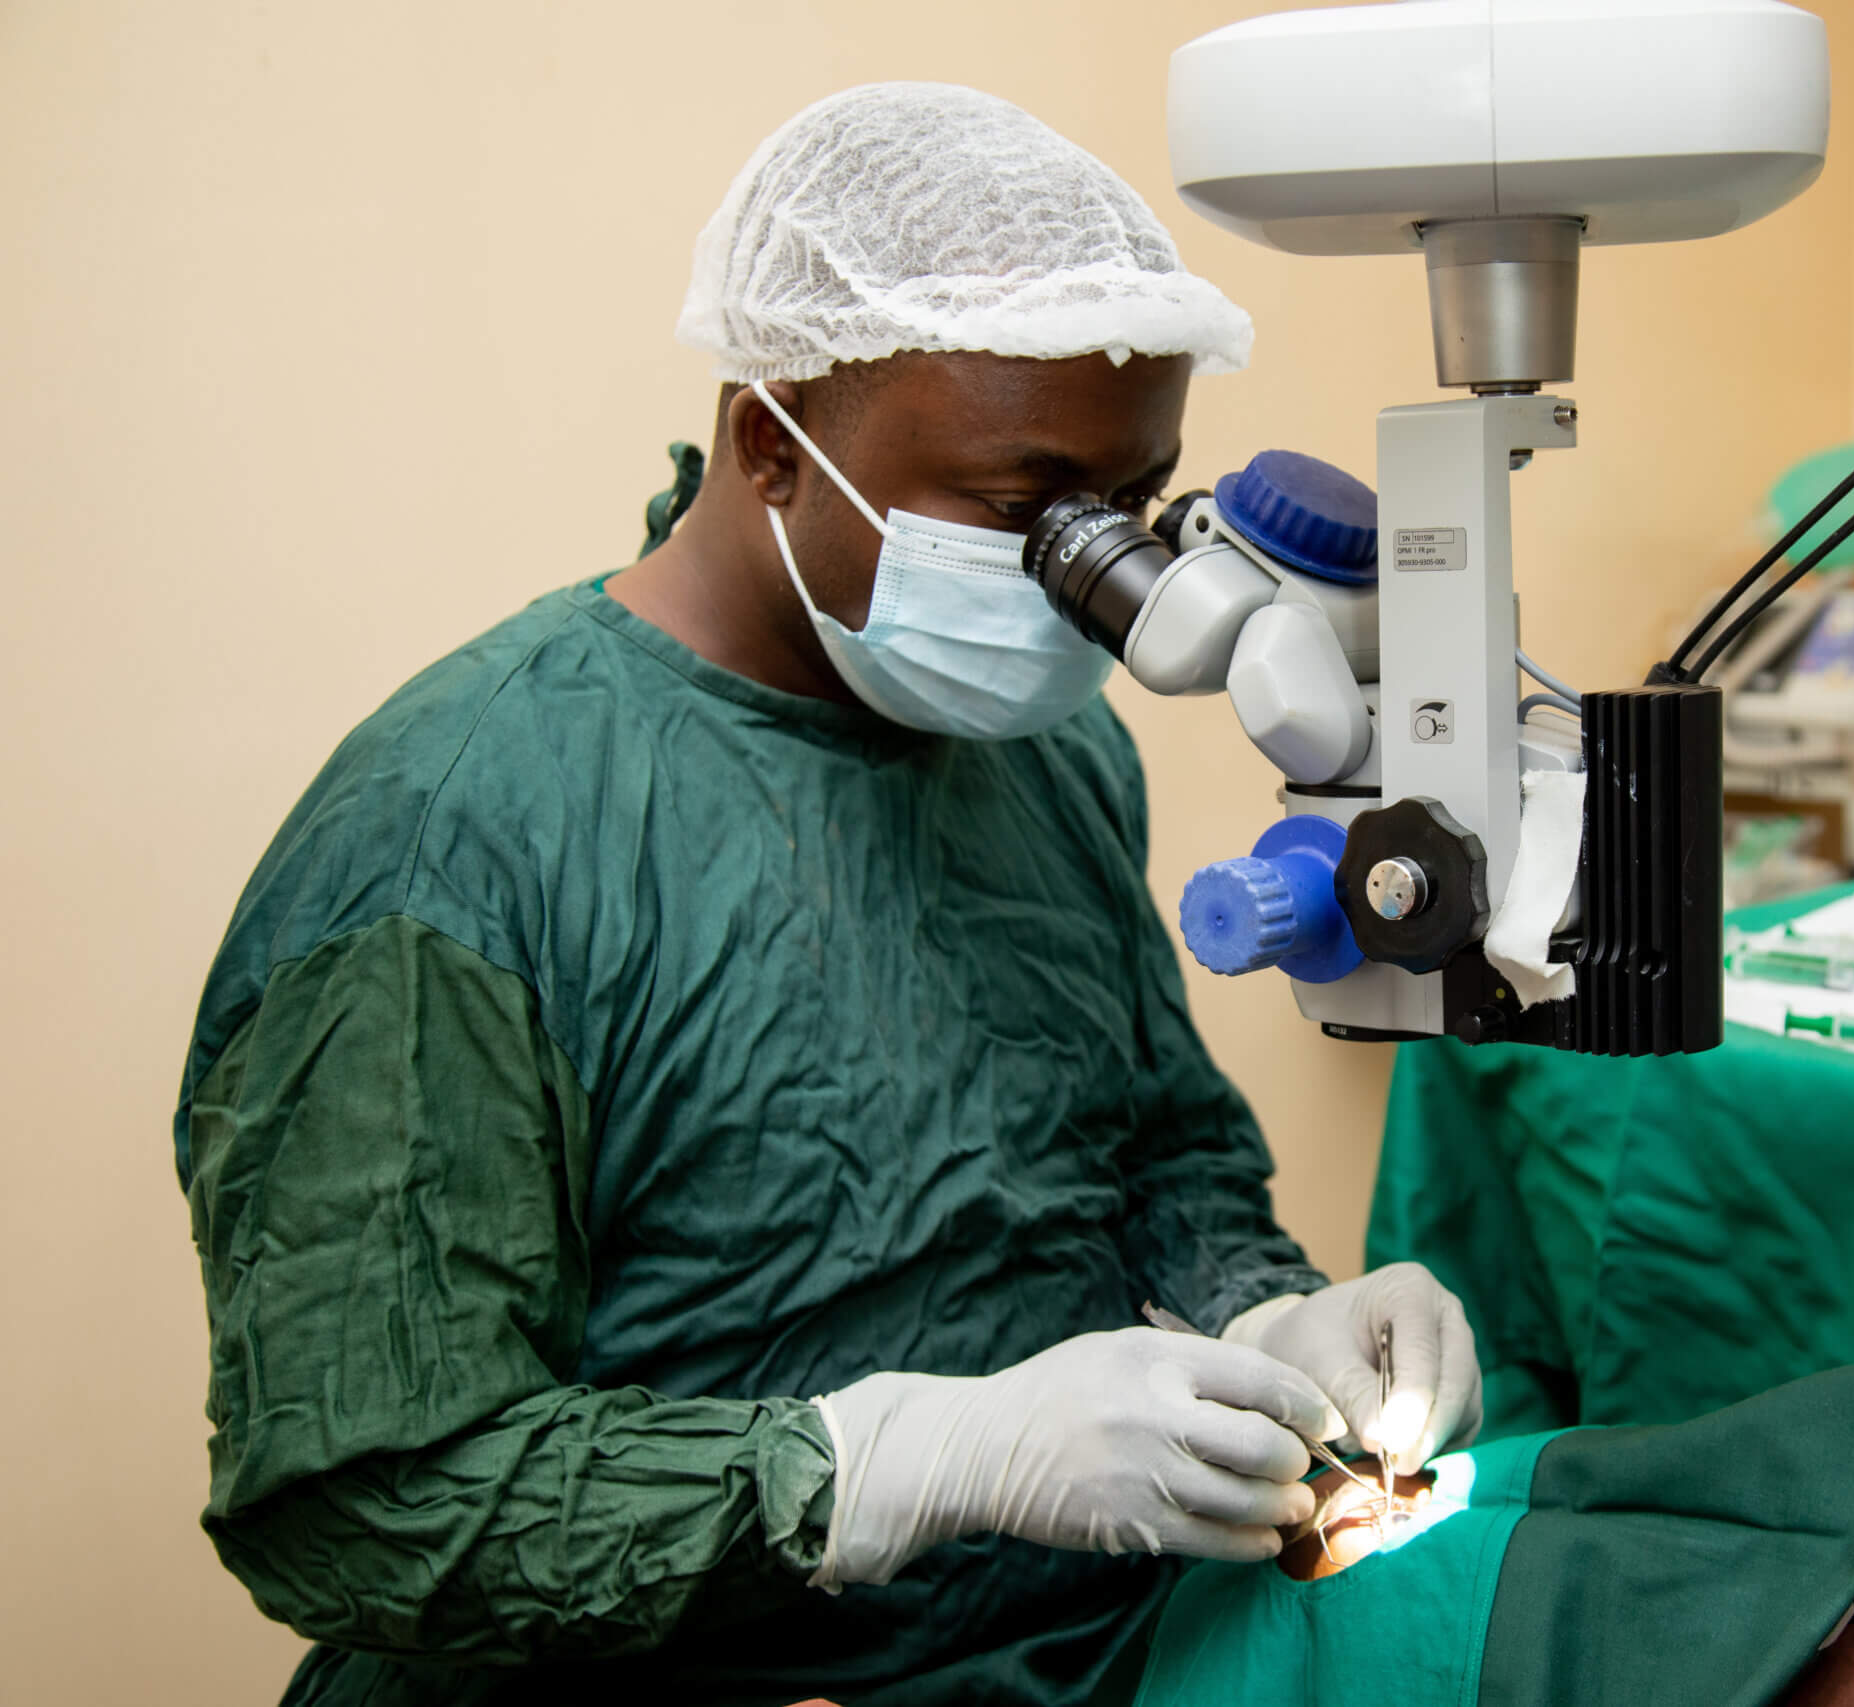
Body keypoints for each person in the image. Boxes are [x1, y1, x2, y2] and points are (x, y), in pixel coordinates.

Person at [175, 82, 1482, 1707]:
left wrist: (1274, 1315)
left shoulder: (1046, 754)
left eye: (1126, 509)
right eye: (1024, 513)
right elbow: (363, 1502)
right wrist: (890, 1463)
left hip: (1060, 1652)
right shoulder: (457, 839)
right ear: (767, 446)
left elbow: (1158, 1148)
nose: (1095, 586)